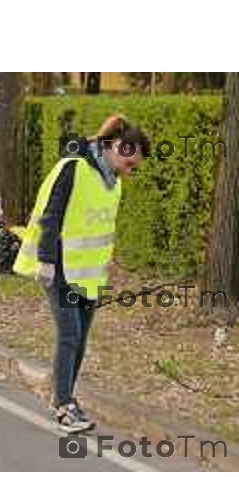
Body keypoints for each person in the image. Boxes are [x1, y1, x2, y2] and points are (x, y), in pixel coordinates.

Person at [13, 115, 147, 433]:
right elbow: (51, 215)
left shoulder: (112, 184)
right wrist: (45, 260)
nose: (132, 171)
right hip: (58, 266)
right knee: (70, 334)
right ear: (117, 147)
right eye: (132, 163)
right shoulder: (73, 167)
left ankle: (65, 397)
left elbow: (98, 229)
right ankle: (63, 405)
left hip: (88, 274)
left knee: (81, 339)